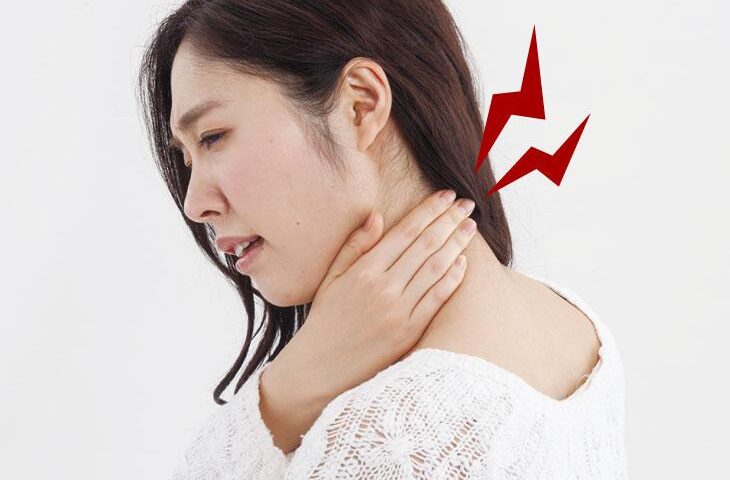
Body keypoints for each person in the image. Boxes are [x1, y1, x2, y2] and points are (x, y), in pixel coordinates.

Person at [137, 1, 627, 478]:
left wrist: (287, 392)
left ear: (360, 105)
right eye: (187, 158)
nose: (194, 204)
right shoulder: (576, 329)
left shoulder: (388, 441)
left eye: (213, 137)